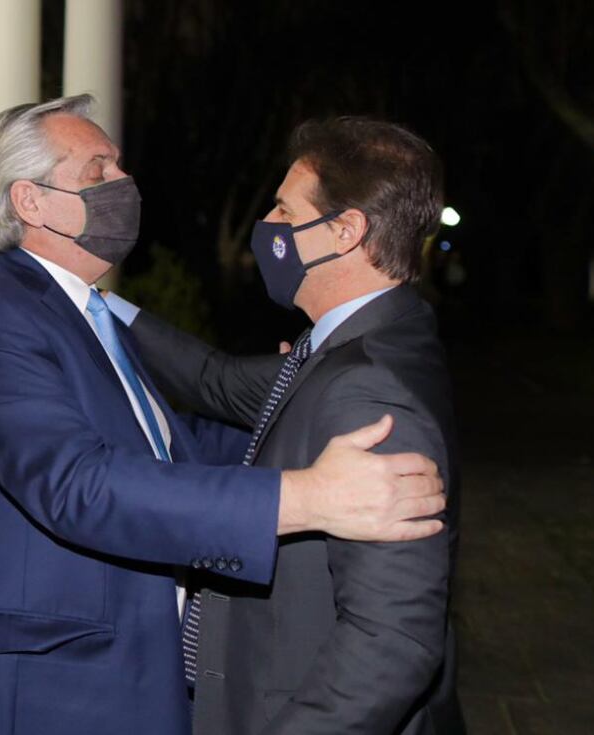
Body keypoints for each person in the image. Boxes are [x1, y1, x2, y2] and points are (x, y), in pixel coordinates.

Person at [0, 96, 446, 735]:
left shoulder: (84, 313)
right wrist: (302, 496)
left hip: (115, 680)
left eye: (120, 167)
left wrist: (302, 421)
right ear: (30, 202)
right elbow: (79, 485)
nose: (123, 183)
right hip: (33, 693)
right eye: (97, 171)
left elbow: (167, 449)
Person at [111, 117, 465, 734]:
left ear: (345, 231)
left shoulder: (369, 385)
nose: (269, 228)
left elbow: (394, 640)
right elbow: (214, 380)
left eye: (283, 208)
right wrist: (94, 304)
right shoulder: (354, 342)